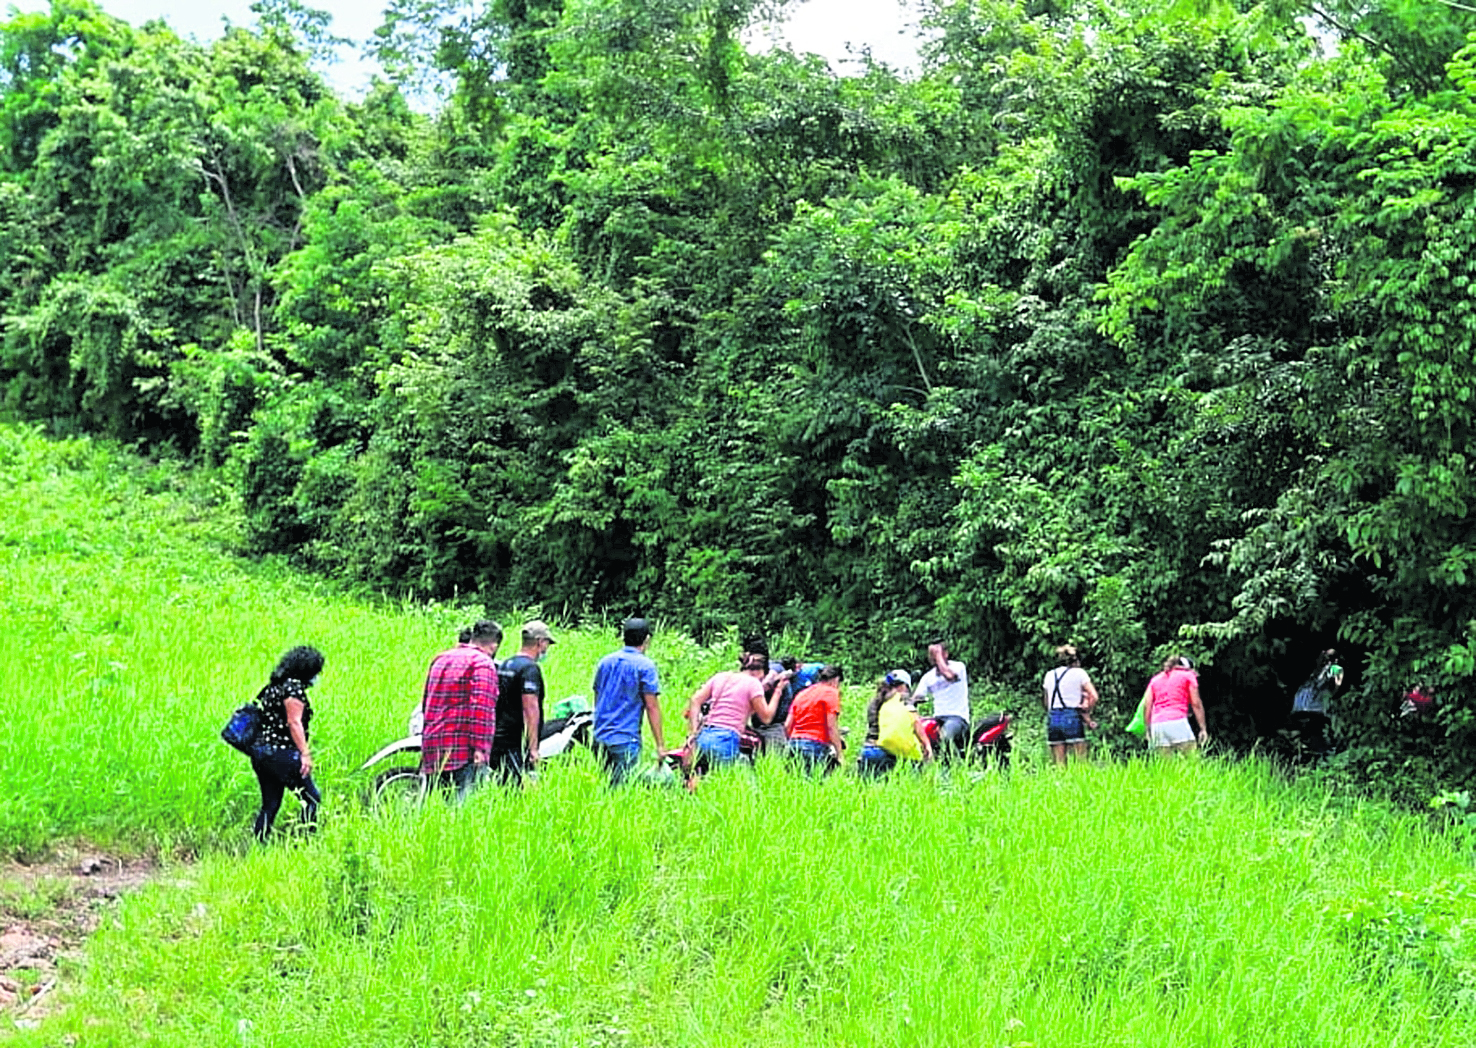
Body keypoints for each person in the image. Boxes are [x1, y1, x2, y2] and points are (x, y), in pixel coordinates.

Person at [248, 645, 324, 841]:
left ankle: (259, 842)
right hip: (282, 754)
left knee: (270, 803)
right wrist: (305, 754)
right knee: (312, 799)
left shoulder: (273, 687)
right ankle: (306, 840)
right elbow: (294, 722)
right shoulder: (293, 689)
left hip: (261, 753)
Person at [420, 619, 501, 800]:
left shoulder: (441, 659)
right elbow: (481, 709)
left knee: (435, 804)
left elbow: (426, 702)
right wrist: (481, 748)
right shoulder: (482, 664)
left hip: (433, 744)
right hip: (461, 749)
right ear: (494, 645)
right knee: (461, 810)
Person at [591, 617, 666, 785]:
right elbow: (651, 706)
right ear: (647, 640)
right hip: (625, 739)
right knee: (621, 792)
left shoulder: (605, 662)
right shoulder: (645, 666)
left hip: (600, 737)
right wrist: (660, 745)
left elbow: (597, 696)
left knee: (607, 783)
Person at [685, 653, 775, 777]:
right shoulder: (754, 683)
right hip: (727, 737)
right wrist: (778, 691)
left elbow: (695, 700)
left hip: (705, 735)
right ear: (761, 672)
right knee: (721, 780)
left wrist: (694, 732)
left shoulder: (720, 677)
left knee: (699, 776)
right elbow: (766, 717)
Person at [491, 620, 556, 786]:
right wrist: (533, 748)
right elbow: (530, 708)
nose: (546, 648)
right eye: (547, 643)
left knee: (499, 784)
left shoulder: (506, 663)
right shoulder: (529, 669)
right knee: (513, 791)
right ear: (540, 642)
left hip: (496, 737)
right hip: (514, 741)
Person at [858, 670, 932, 777]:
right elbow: (916, 722)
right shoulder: (903, 699)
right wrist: (927, 745)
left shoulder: (874, 701)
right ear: (903, 685)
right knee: (915, 770)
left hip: (868, 750)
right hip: (887, 753)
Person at [912, 638, 969, 762]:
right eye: (931, 654)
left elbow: (949, 676)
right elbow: (917, 696)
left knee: (945, 737)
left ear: (945, 654)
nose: (932, 657)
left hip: (956, 717)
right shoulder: (928, 677)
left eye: (935, 653)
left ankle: (956, 766)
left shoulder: (958, 667)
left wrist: (939, 657)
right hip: (938, 718)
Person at [1042, 644, 1100, 765]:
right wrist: (1087, 709)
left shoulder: (1049, 675)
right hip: (1072, 716)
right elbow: (1094, 696)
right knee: (1081, 761)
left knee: (1059, 764)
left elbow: (1047, 702)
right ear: (1076, 661)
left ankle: (1061, 782)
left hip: (1054, 717)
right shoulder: (1079, 674)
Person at [786, 664, 845, 774]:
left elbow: (787, 725)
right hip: (815, 745)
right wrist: (839, 753)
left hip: (794, 744)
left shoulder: (802, 694)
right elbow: (831, 727)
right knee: (815, 784)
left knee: (795, 785)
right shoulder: (831, 693)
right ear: (836, 680)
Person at [1143, 655, 1207, 754]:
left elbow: (1147, 705)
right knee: (1191, 760)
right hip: (1177, 721)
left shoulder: (1155, 679)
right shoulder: (1188, 675)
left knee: (1165, 767)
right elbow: (1196, 704)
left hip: (1157, 725)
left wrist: (1148, 729)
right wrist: (1203, 728)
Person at [1289, 648, 1343, 759]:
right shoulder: (1334, 668)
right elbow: (1337, 685)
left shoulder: (1315, 671)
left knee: (1302, 736)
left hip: (1298, 708)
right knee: (1320, 736)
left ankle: (1302, 754)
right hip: (1316, 709)